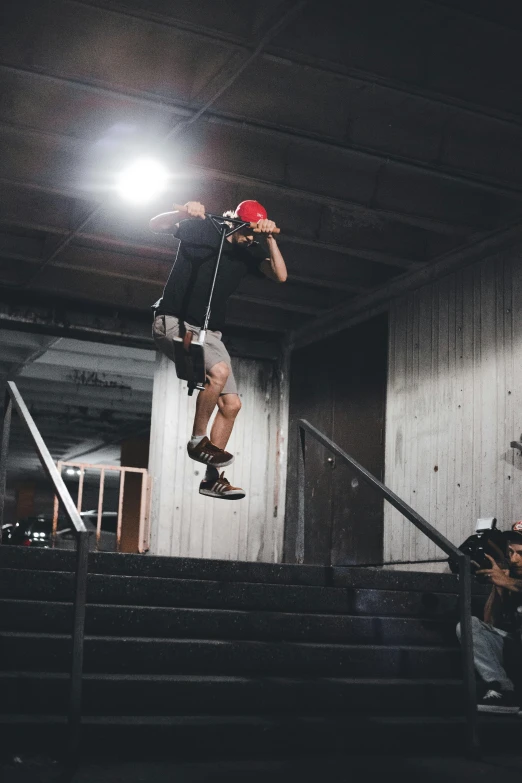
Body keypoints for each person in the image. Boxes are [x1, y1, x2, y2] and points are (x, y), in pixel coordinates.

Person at [149, 199, 287, 500]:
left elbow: (280, 275)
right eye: (247, 232)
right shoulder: (200, 230)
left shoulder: (249, 252)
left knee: (232, 405)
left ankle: (212, 481)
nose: (250, 239)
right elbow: (155, 224)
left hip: (210, 334)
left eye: (254, 235)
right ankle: (198, 441)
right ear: (234, 222)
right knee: (220, 372)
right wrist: (182, 212)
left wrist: (269, 238)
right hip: (174, 322)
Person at [457, 521, 522, 713]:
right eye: (511, 553)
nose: (515, 559)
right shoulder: (509, 577)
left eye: (521, 553)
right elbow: (489, 623)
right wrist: (498, 587)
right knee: (468, 625)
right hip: (515, 647)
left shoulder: (511, 580)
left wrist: (508, 582)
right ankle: (501, 689)